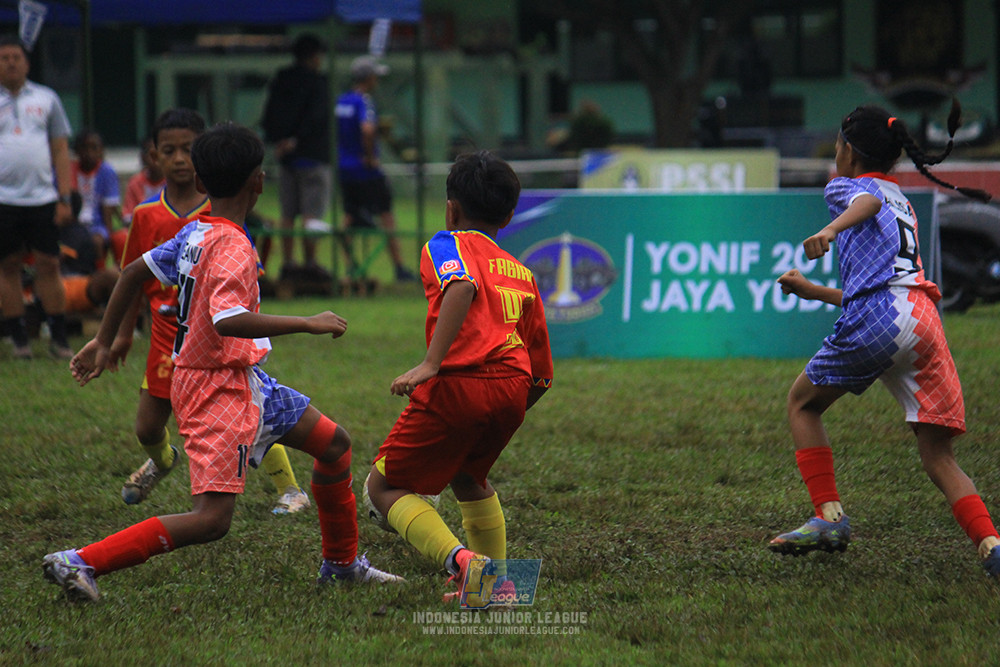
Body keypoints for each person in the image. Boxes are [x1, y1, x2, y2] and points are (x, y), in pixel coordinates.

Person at [49, 122, 402, 602]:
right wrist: (307, 322)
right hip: (216, 390)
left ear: (200, 184)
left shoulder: (197, 230)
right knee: (211, 520)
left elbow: (131, 272)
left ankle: (341, 566)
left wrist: (104, 342)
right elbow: (229, 320)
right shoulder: (232, 244)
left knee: (334, 445)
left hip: (243, 379)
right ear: (259, 182)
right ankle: (81, 561)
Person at [768, 101, 1000, 578]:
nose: (835, 154)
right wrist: (813, 291)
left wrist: (829, 230)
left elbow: (863, 202)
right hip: (921, 320)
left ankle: (829, 518)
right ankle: (993, 547)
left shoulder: (851, 188)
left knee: (802, 405)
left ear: (849, 151)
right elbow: (881, 284)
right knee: (938, 455)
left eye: (837, 144)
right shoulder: (903, 201)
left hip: (882, 316)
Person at [364, 151, 553, 602]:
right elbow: (542, 375)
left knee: (383, 487)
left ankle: (464, 562)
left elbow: (461, 285)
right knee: (470, 479)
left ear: (451, 209)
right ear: (508, 216)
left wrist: (431, 365)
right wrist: (503, 406)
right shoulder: (522, 273)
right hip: (513, 389)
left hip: (460, 384)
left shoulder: (446, 243)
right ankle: (497, 589)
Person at [114, 108, 309, 515]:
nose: (180, 158)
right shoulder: (149, 215)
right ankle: (163, 459)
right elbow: (132, 273)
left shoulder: (224, 217)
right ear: (154, 157)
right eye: (170, 150)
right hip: (168, 338)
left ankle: (289, 489)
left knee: (252, 411)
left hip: (218, 346)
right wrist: (116, 336)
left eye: (189, 149)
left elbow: (236, 297)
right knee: (148, 427)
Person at [0, 34, 75, 360]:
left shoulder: (47, 99)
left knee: (49, 264)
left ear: (27, 62)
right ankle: (19, 340)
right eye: (4, 57)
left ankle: (59, 337)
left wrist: (64, 197)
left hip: (43, 198)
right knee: (7, 266)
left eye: (16, 56)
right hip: (3, 200)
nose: (11, 62)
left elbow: (60, 149)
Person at [335, 55, 415, 283]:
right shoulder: (364, 101)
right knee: (386, 214)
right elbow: (368, 129)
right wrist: (370, 157)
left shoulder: (342, 101)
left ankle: (351, 265)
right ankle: (399, 267)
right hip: (366, 170)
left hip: (345, 168)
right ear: (369, 78)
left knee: (350, 215)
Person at [261, 33, 333, 281]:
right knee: (312, 214)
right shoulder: (318, 82)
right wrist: (298, 140)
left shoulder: (282, 79)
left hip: (286, 158)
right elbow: (317, 117)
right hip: (312, 155)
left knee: (288, 214)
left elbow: (269, 114)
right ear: (315, 57)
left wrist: (280, 140)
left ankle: (289, 262)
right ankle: (310, 262)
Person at [71, 128, 122, 266]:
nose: (89, 153)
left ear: (101, 151)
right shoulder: (70, 170)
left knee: (97, 242)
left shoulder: (107, 172)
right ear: (77, 151)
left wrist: (110, 236)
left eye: (94, 148)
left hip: (96, 225)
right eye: (84, 148)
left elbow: (108, 208)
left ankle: (100, 270)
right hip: (73, 222)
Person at [122, 136, 165, 225]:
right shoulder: (135, 182)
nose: (155, 160)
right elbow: (127, 215)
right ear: (143, 157)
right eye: (152, 155)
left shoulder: (172, 182)